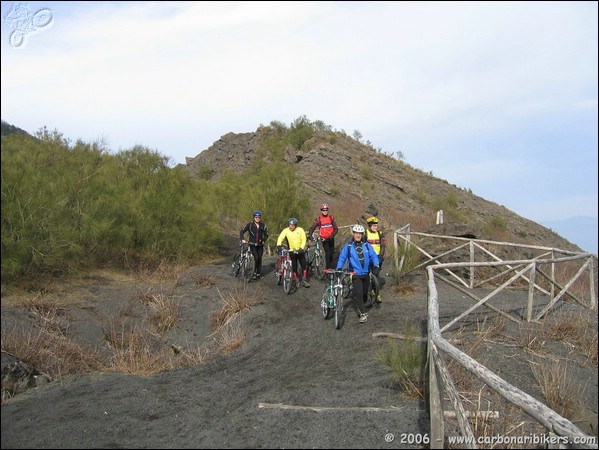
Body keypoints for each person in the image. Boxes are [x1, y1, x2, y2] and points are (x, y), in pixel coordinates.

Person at [336, 224, 380, 323]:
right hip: (355, 274)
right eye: (356, 233)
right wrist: (339, 268)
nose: (358, 235)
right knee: (359, 293)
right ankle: (362, 314)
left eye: (360, 233)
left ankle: (361, 306)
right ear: (353, 234)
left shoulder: (367, 245)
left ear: (362, 234)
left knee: (365, 293)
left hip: (366, 274)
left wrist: (376, 265)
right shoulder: (349, 246)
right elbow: (342, 258)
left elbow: (373, 255)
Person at [276, 218, 310, 288]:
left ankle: (304, 279)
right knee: (294, 266)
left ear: (295, 225)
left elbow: (303, 239)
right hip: (292, 251)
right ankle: (296, 279)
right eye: (290, 225)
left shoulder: (300, 230)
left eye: (292, 225)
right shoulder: (286, 230)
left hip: (300, 250)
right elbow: (280, 237)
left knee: (304, 265)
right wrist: (279, 245)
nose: (291, 226)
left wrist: (301, 248)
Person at [239, 210, 269, 280]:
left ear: (260, 218)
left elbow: (266, 234)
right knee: (256, 257)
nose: (257, 218)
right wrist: (242, 239)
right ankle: (254, 273)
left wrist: (263, 240)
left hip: (260, 245)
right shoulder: (250, 225)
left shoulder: (263, 226)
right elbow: (242, 231)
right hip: (252, 244)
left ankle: (258, 274)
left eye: (259, 217)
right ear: (253, 217)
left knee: (259, 259)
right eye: (256, 217)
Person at [308, 203, 339, 269]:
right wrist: (310, 235)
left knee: (331, 254)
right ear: (321, 210)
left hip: (331, 238)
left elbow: (336, 229)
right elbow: (312, 228)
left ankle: (330, 267)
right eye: (323, 210)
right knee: (327, 254)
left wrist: (332, 235)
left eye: (326, 210)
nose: (325, 211)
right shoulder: (318, 219)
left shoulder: (331, 218)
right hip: (324, 239)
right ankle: (327, 270)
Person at [365, 216, 386, 303]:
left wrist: (381, 255)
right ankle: (371, 291)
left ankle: (375, 291)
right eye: (374, 226)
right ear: (369, 226)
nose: (376, 227)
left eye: (376, 225)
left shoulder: (380, 234)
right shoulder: (365, 234)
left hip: (377, 257)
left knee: (375, 274)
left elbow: (383, 245)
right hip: (367, 257)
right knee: (366, 274)